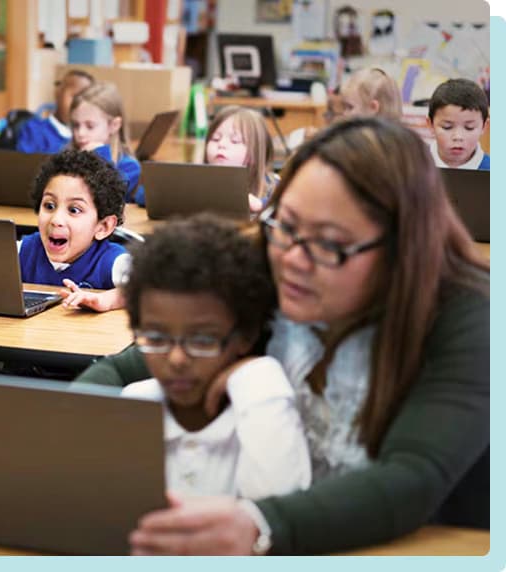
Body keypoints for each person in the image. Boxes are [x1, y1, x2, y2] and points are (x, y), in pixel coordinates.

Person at [76, 117, 489, 554]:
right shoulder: (266, 267)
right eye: (286, 225)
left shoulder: (467, 320)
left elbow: (412, 478)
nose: (293, 258)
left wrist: (260, 525)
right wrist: (72, 430)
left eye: (328, 244)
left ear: (400, 247)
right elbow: (124, 369)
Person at [121, 213, 310, 499]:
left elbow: (277, 507)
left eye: (203, 340)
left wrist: (257, 374)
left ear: (245, 335)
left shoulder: (264, 407)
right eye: (157, 338)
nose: (176, 360)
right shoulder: (134, 406)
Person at [19, 149, 129, 312]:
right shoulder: (25, 250)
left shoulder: (111, 261)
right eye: (49, 206)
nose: (56, 220)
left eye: (74, 210)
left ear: (103, 227)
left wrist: (106, 299)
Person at [69, 82, 143, 204]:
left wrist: (99, 154)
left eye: (90, 126)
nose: (80, 133)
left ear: (114, 125)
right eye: (76, 125)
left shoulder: (129, 166)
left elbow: (106, 198)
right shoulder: (68, 154)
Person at [205, 105, 278, 215]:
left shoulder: (273, 186)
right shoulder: (200, 183)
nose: (221, 144)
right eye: (215, 138)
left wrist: (259, 205)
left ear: (255, 152)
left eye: (235, 141)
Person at [16, 69, 95, 154]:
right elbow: (24, 163)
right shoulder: (34, 131)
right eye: (75, 97)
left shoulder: (90, 138)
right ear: (58, 93)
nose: (79, 105)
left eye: (87, 100)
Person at [426, 78, 490, 170]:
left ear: (484, 126)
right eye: (447, 127)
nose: (458, 137)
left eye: (469, 128)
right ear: (430, 125)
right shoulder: (412, 165)